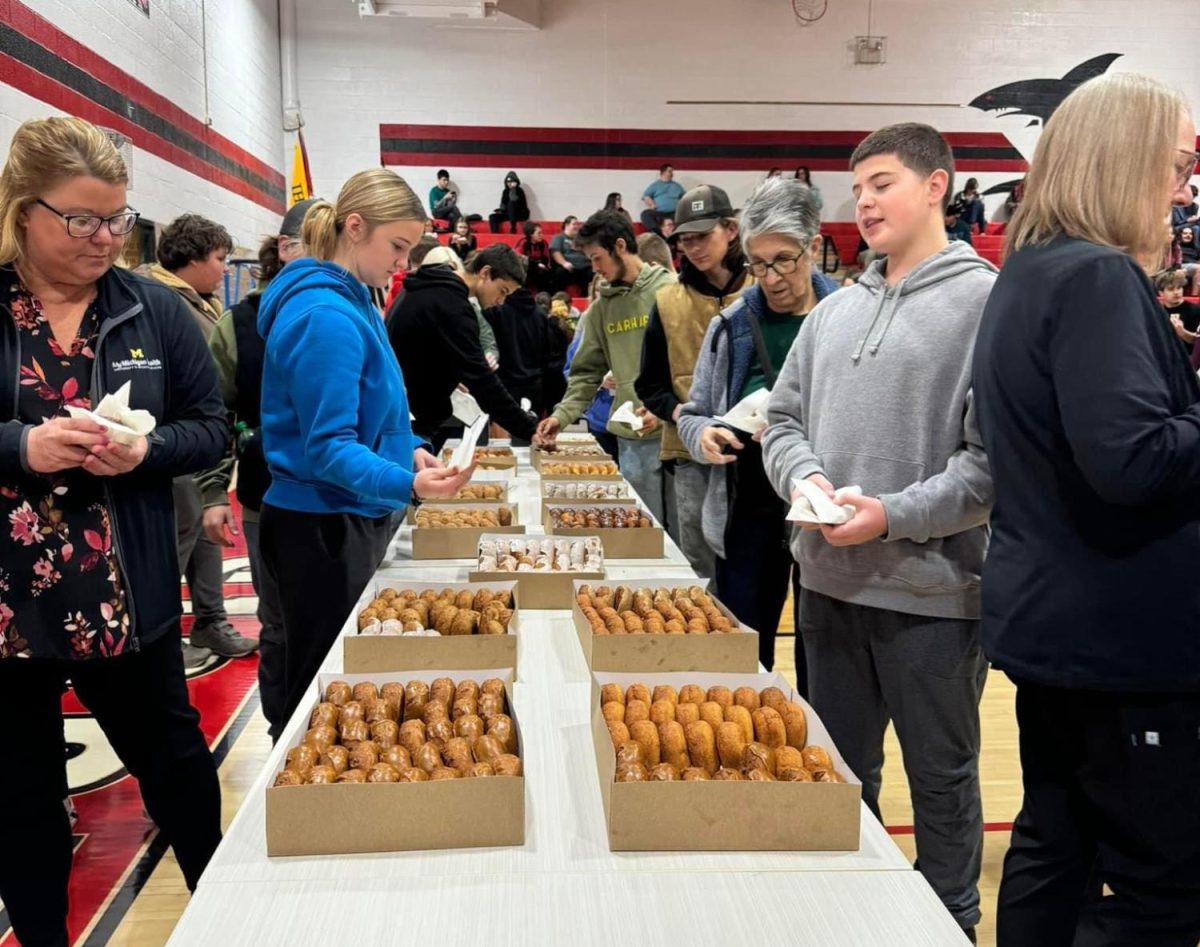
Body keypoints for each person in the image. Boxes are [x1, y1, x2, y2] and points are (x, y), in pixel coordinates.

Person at [973, 72, 1200, 947]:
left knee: (1054, 846)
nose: (1184, 186)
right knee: (1163, 887)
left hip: (1054, 625)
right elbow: (1133, 463)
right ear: (1128, 158)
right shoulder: (1100, 277)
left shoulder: (1030, 270)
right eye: (1179, 162)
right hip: (1122, 640)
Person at [763, 123, 997, 942]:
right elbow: (780, 420)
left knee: (941, 784)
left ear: (938, 186)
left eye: (884, 182)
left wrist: (891, 513)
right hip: (827, 588)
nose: (862, 200)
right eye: (856, 186)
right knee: (839, 782)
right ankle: (845, 924)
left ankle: (951, 926)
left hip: (933, 599)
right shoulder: (835, 312)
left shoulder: (985, 302)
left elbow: (988, 468)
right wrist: (806, 479)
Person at [0, 116, 227, 945]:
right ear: (24, 209)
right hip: (8, 609)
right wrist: (22, 443)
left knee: (177, 772)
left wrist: (147, 448)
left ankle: (229, 916)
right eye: (83, 220)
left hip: (123, 602)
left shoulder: (153, 311)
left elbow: (211, 426)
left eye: (119, 220)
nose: (105, 239)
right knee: (21, 805)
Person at [258, 168, 473, 731]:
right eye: (397, 247)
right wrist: (404, 483)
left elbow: (373, 414)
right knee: (321, 692)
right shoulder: (325, 315)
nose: (402, 263)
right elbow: (329, 447)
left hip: (342, 515)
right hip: (322, 527)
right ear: (355, 228)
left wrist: (409, 453)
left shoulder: (354, 302)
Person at [678, 178, 836, 675]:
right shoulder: (730, 327)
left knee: (827, 661)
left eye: (784, 260)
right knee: (745, 654)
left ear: (814, 247)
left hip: (826, 510)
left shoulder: (845, 321)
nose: (770, 278)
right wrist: (702, 436)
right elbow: (693, 411)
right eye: (758, 263)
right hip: (745, 510)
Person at [195, 198, 316, 742]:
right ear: (287, 249)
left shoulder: (353, 307)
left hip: (346, 499)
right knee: (279, 622)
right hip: (269, 495)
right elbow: (214, 411)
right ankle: (280, 731)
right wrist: (213, 490)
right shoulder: (238, 324)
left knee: (333, 619)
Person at [145, 214, 257, 663]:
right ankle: (163, 636)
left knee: (209, 532)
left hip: (201, 441)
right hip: (171, 441)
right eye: (219, 258)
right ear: (191, 257)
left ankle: (210, 620)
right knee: (177, 538)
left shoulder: (197, 300)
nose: (226, 268)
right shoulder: (156, 299)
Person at [636, 185, 752, 578]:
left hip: (760, 455)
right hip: (691, 456)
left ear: (731, 229)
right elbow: (648, 384)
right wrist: (680, 413)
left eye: (702, 236)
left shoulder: (762, 291)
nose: (693, 247)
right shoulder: (668, 301)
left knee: (755, 569)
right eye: (685, 240)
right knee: (700, 569)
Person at [536, 210, 676, 523]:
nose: (595, 268)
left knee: (690, 540)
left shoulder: (670, 290)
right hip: (633, 439)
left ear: (621, 246)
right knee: (644, 534)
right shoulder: (601, 311)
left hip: (680, 435)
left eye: (598, 258)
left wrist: (668, 408)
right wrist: (562, 416)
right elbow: (585, 374)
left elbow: (693, 361)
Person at [388, 243, 537, 448]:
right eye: (502, 291)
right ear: (485, 273)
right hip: (408, 423)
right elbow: (482, 381)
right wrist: (529, 429)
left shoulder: (430, 287)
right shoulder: (451, 304)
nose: (501, 301)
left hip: (402, 413)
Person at [483, 287, 567, 424]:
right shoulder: (540, 315)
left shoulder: (495, 312)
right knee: (532, 437)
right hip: (534, 388)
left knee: (501, 442)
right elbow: (546, 358)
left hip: (504, 387)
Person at [1156, 266, 1200, 357]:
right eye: (1171, 289)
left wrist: (1182, 332)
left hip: (1188, 358)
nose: (1176, 292)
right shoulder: (1157, 312)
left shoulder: (1195, 310)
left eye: (1179, 288)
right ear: (1161, 293)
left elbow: (1197, 343)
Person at [549, 215, 592, 290]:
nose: (577, 226)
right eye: (574, 224)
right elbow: (555, 252)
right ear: (566, 225)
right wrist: (564, 263)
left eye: (578, 224)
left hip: (584, 268)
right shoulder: (559, 237)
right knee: (560, 272)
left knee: (594, 272)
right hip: (569, 268)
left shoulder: (581, 239)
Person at [640, 164, 685, 233]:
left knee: (685, 214)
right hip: (659, 212)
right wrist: (652, 205)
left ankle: (676, 233)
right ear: (663, 172)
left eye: (672, 171)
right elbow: (646, 196)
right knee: (645, 214)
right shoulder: (655, 185)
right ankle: (657, 232)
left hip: (674, 212)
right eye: (670, 171)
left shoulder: (677, 186)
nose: (672, 173)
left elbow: (685, 197)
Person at [516, 221, 553, 292]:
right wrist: (536, 264)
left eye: (542, 232)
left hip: (540, 269)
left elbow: (547, 259)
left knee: (548, 275)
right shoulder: (523, 243)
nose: (542, 235)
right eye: (539, 233)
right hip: (526, 269)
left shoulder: (543, 243)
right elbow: (519, 258)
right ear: (531, 234)